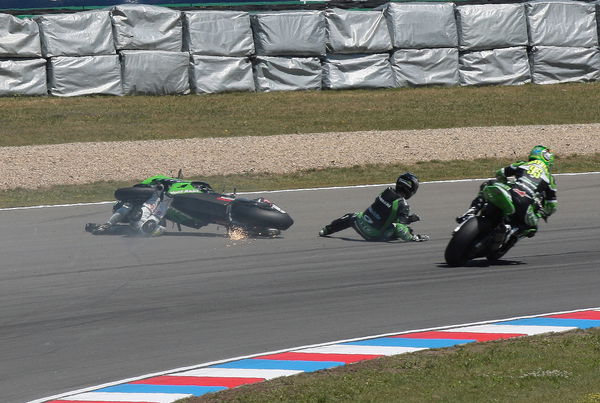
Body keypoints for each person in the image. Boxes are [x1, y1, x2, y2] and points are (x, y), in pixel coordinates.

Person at [456, 145, 558, 237]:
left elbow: (500, 173)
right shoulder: (550, 179)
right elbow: (552, 205)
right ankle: (510, 231)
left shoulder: (522, 164)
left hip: (510, 193)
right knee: (532, 228)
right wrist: (542, 213)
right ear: (548, 159)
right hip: (525, 205)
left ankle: (471, 212)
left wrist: (505, 183)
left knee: (488, 183)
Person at [318, 172, 430, 242]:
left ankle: (326, 230)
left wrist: (409, 219)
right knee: (406, 229)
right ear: (411, 189)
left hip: (362, 223)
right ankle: (414, 237)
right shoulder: (403, 205)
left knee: (351, 216)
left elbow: (384, 212)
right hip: (374, 235)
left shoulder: (387, 191)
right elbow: (399, 226)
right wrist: (413, 236)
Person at [86, 175, 179, 236]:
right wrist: (161, 194)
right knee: (148, 225)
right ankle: (166, 200)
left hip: (151, 211)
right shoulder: (136, 224)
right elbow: (155, 213)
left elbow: (123, 212)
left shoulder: (129, 208)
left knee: (134, 212)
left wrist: (101, 226)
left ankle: (163, 197)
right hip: (156, 223)